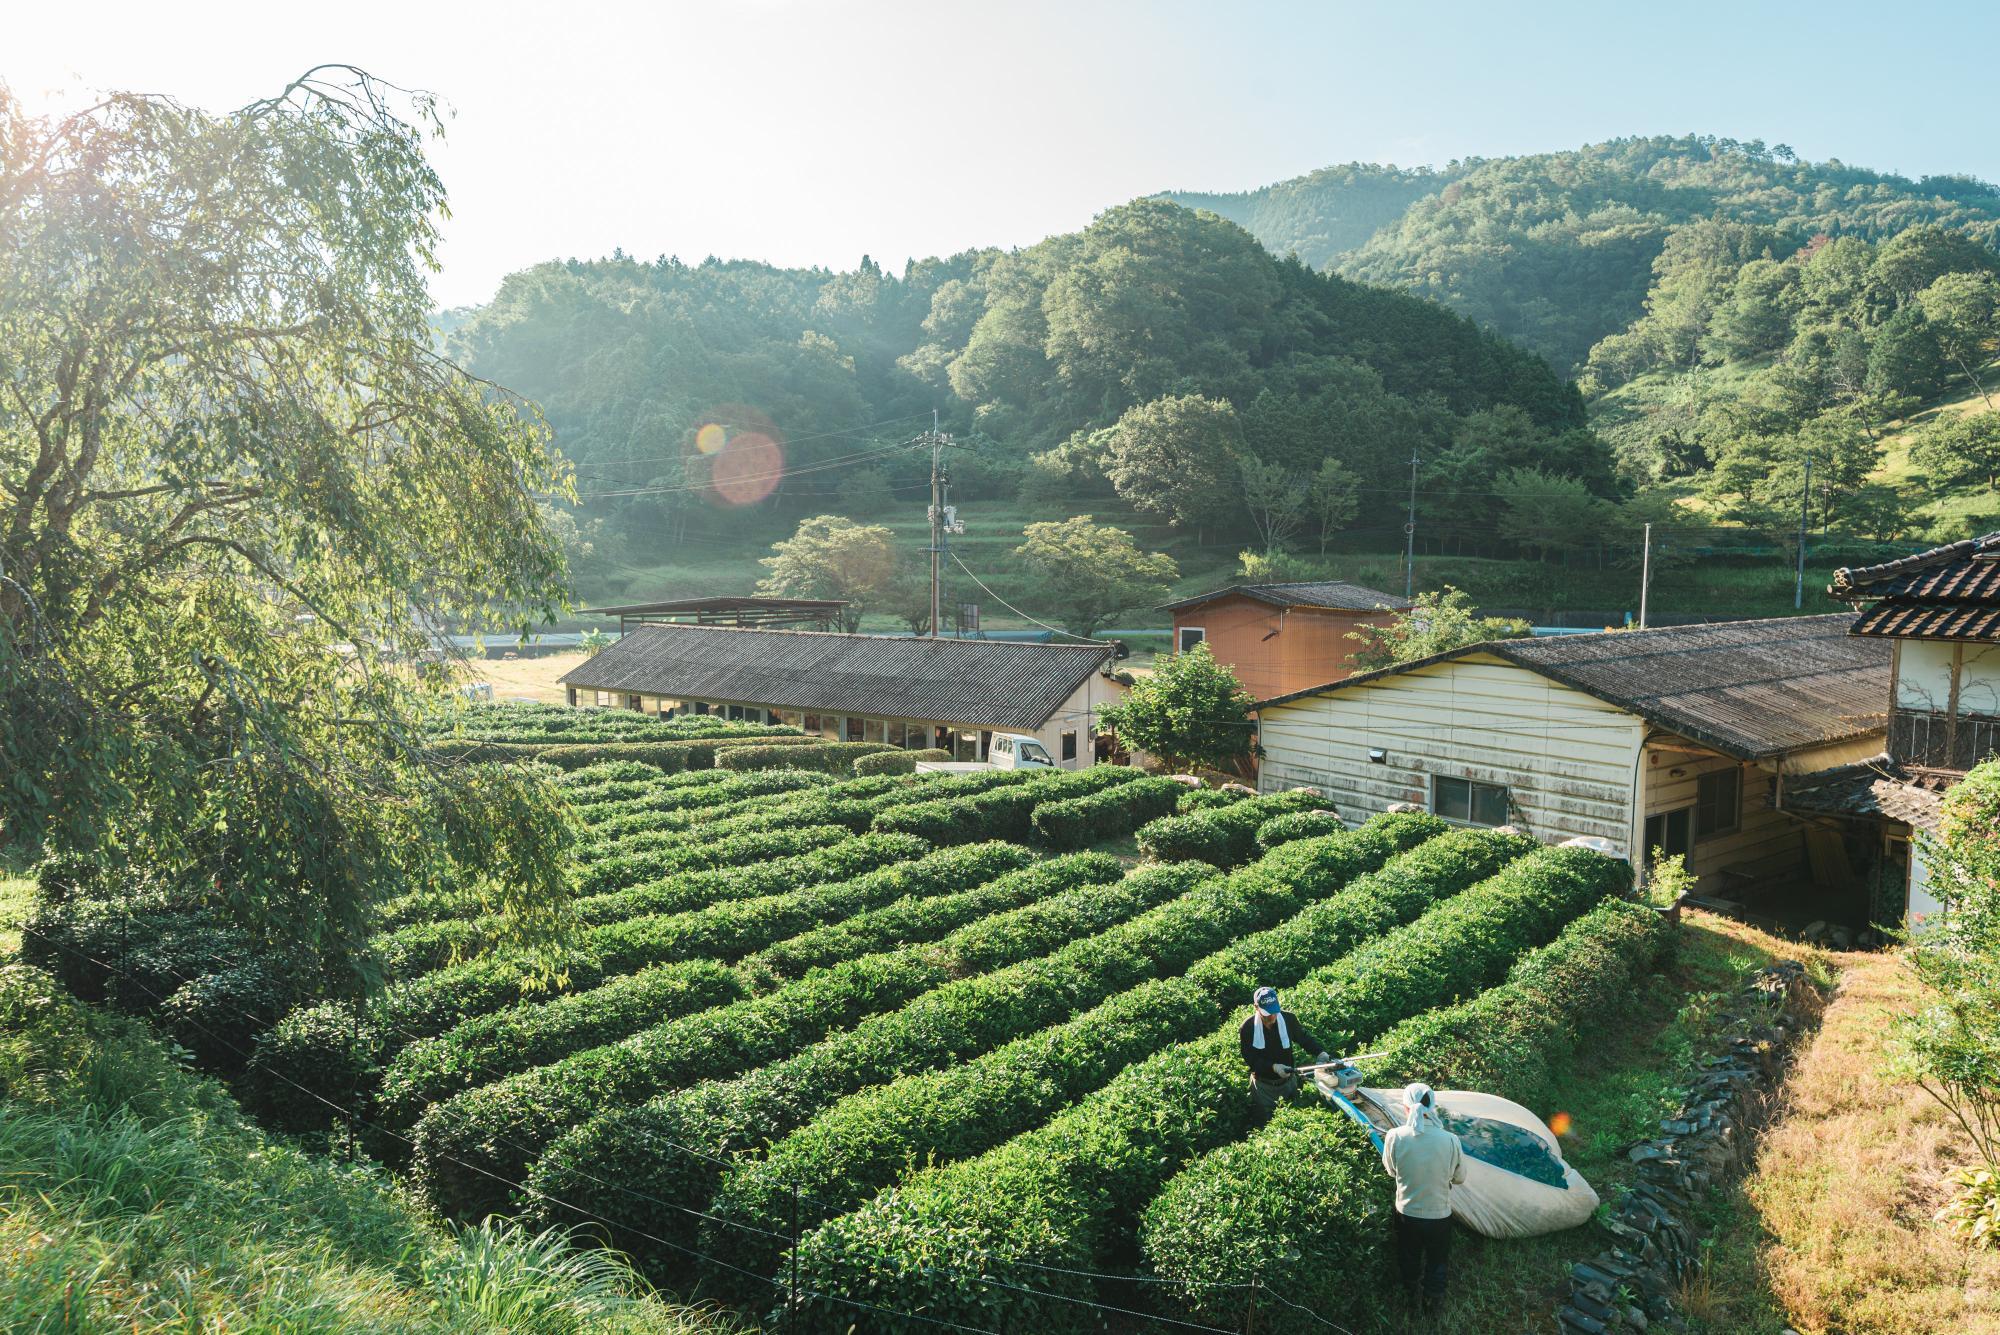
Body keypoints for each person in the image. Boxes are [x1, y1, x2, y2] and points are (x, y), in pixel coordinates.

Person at [1381, 1082, 1464, 1316]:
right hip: (1439, 1215)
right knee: (1437, 1260)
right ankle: (1432, 1304)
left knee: (1409, 1257)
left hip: (1407, 1213)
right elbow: (1460, 1178)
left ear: (1406, 1108)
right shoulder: (1450, 1140)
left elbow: (1391, 1171)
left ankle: (1410, 1298)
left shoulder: (1395, 1136)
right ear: (1433, 1106)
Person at [1237, 986, 1329, 1125]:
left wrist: (1320, 1052)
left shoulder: (1288, 1019)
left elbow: (1303, 1038)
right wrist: (1273, 1067)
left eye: (1274, 1012)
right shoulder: (1248, 1027)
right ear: (1256, 1007)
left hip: (1288, 1083)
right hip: (1263, 1088)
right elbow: (1250, 1059)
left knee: (1293, 1118)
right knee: (1265, 1123)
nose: (1272, 1017)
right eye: (1267, 1013)